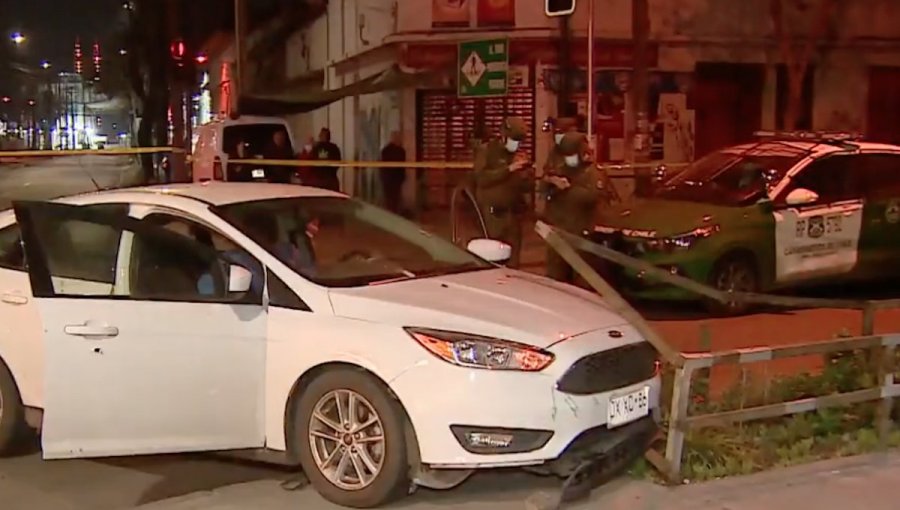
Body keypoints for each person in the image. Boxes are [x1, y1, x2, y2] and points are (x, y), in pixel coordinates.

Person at [472, 116, 533, 268]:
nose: (516, 144)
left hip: (513, 214)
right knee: (493, 258)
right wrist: (508, 169)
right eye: (513, 139)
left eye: (519, 141)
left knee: (513, 260)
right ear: (503, 136)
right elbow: (481, 179)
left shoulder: (518, 156)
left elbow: (526, 186)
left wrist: (525, 173)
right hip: (493, 215)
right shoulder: (487, 151)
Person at [542, 132, 602, 283]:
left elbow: (591, 196)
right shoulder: (561, 168)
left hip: (579, 233)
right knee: (556, 278)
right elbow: (544, 190)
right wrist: (551, 182)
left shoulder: (592, 173)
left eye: (572, 155)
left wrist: (568, 188)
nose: (569, 159)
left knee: (581, 278)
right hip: (558, 232)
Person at [380, 131, 407, 214]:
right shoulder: (390, 150)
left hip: (392, 179)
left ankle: (392, 214)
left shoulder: (388, 150)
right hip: (391, 179)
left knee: (393, 199)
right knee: (392, 199)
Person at [312, 127, 342, 192]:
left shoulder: (317, 147)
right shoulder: (334, 148)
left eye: (321, 135)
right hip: (328, 180)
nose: (319, 136)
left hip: (323, 180)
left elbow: (311, 161)